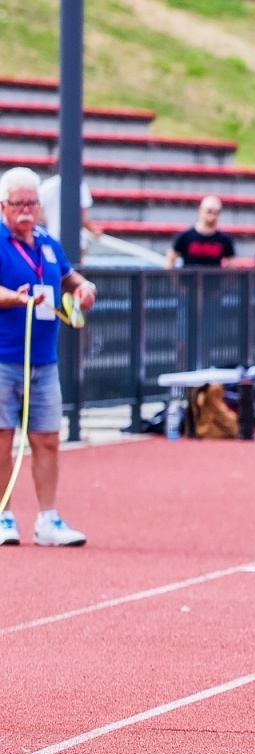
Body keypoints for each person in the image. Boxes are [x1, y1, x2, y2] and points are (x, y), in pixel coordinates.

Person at [0, 167, 98, 547]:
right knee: (3, 437)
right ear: (3, 205)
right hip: (5, 357)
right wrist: (17, 298)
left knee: (47, 439)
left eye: (31, 202)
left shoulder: (46, 241)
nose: (26, 210)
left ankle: (47, 517)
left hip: (44, 360)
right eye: (17, 203)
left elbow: (67, 277)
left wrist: (83, 287)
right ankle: (4, 513)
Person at [165, 195, 239, 268]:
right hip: (190, 279)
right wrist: (174, 279)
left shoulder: (225, 239)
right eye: (209, 211)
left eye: (216, 212)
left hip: (214, 279)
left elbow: (232, 266)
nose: (212, 216)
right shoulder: (185, 236)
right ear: (200, 210)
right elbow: (170, 259)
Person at [39, 174, 102, 245]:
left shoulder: (46, 186)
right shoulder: (80, 186)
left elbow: (40, 216)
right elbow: (82, 218)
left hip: (53, 239)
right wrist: (93, 230)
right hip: (75, 241)